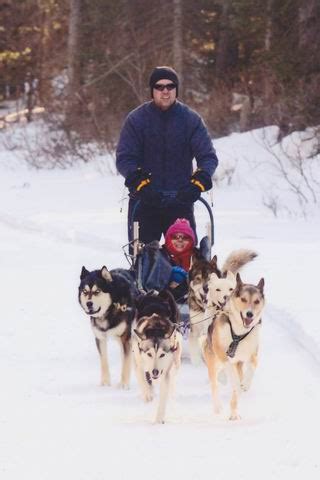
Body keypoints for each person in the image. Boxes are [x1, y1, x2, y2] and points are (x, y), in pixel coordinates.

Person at [116, 65, 219, 246]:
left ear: (176, 90)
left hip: (180, 200)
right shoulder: (136, 120)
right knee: (143, 265)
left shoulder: (191, 120)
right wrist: (139, 183)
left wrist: (198, 182)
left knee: (184, 263)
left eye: (170, 86)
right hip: (145, 201)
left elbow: (208, 157)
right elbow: (125, 158)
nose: (165, 91)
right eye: (159, 87)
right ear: (152, 91)